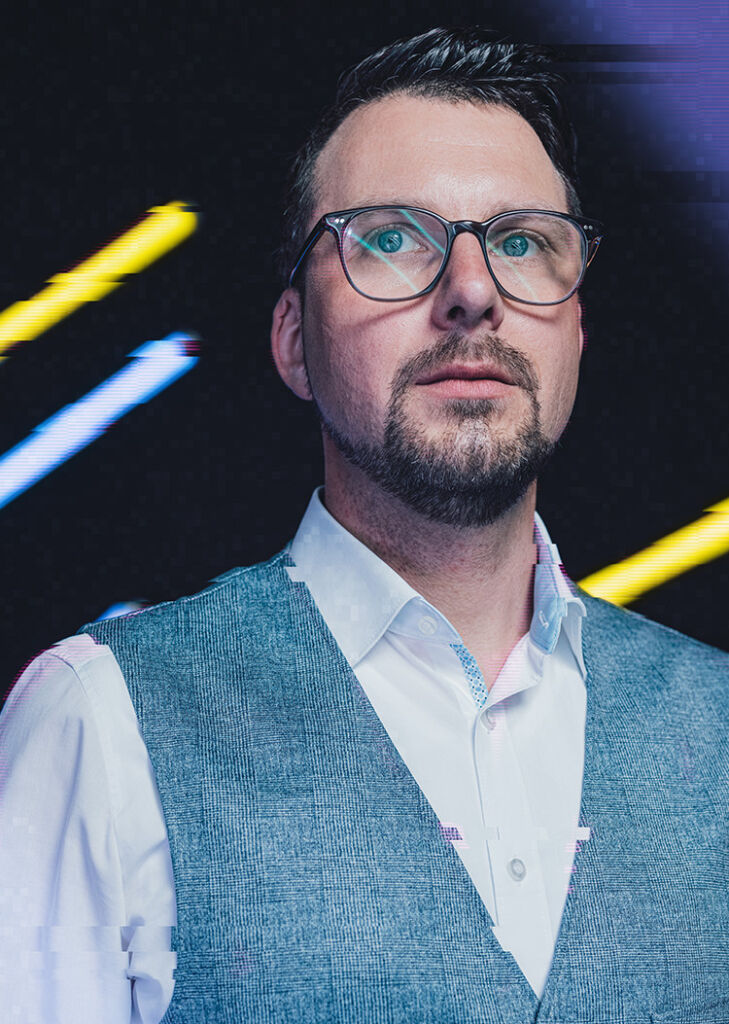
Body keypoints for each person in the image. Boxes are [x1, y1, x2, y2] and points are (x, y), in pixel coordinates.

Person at [1, 25, 727, 1024]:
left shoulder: (717, 727)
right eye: (390, 238)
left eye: (522, 242)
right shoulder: (99, 721)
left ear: (576, 332)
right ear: (294, 341)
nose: (471, 291)